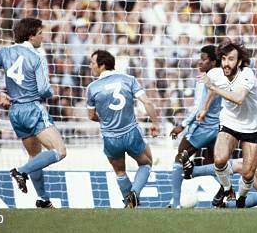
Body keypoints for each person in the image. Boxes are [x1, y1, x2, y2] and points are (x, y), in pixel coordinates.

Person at [0, 18, 66, 208]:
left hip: (15, 111)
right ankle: (20, 171)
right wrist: (53, 92)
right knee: (60, 151)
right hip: (32, 109)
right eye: (40, 33)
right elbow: (44, 89)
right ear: (31, 35)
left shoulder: (4, 52)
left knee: (35, 157)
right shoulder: (37, 57)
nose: (43, 37)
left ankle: (43, 200)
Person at [86, 50, 160, 208]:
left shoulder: (92, 88)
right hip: (131, 132)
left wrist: (105, 120)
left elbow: (91, 116)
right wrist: (155, 123)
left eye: (92, 63)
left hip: (110, 137)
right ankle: (135, 193)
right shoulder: (128, 79)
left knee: (120, 172)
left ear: (102, 65)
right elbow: (147, 103)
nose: (90, 66)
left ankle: (129, 202)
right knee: (146, 164)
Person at [197, 40, 257, 208]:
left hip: (253, 126)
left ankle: (241, 198)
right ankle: (228, 190)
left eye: (231, 59)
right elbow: (213, 92)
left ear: (239, 62)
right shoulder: (215, 73)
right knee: (219, 160)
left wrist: (213, 88)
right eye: (224, 59)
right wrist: (205, 109)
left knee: (248, 174)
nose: (226, 63)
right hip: (229, 122)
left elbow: (239, 98)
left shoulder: (247, 74)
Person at [168, 45, 222, 208]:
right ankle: (229, 191)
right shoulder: (222, 77)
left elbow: (199, 107)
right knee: (212, 163)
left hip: (202, 127)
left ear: (213, 62)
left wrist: (182, 125)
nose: (200, 61)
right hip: (218, 127)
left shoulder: (205, 78)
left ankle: (175, 203)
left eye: (204, 58)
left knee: (179, 158)